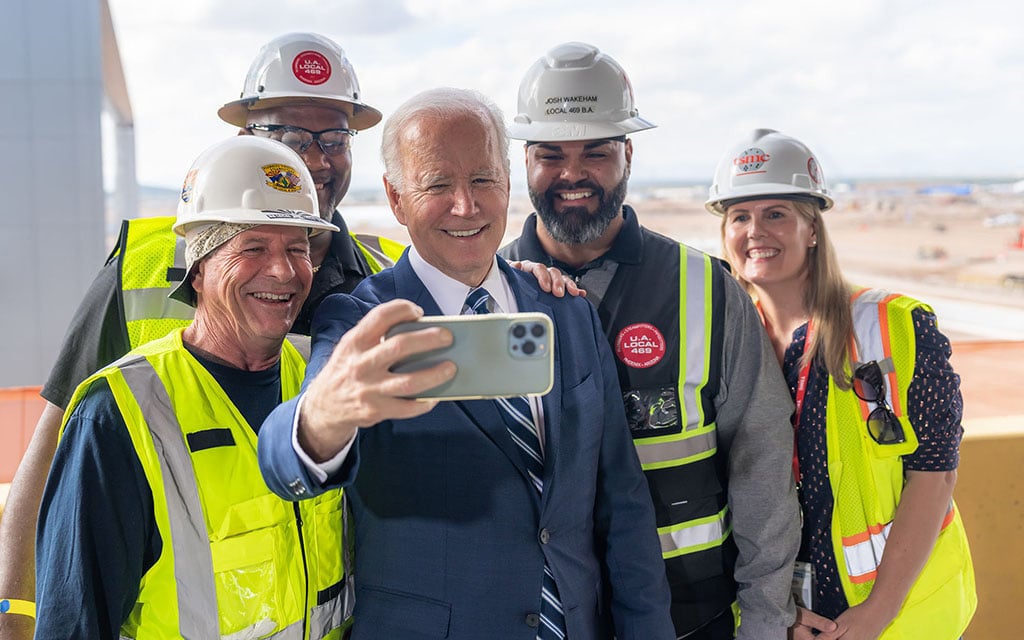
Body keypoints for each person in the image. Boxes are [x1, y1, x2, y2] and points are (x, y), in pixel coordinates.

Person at [0, 33, 569, 636]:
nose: (318, 158)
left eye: (334, 138)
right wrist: (14, 607)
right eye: (293, 138)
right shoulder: (139, 273)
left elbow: (476, 314)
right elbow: (62, 443)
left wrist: (530, 272)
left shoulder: (383, 283)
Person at [257, 87, 676, 639]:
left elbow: (622, 505)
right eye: (437, 185)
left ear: (507, 181)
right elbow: (285, 461)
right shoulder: (362, 318)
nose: (466, 205)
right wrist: (322, 418)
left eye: (482, 179)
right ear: (396, 197)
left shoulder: (567, 314)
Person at [500, 43, 800, 639]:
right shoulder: (490, 295)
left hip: (692, 613)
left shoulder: (706, 289)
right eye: (550, 154)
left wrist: (766, 620)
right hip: (548, 617)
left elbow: (762, 463)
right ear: (524, 160)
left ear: (628, 154)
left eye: (597, 152)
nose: (572, 174)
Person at [33, 136, 353, 638]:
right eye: (253, 248)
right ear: (199, 268)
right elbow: (74, 623)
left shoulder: (322, 378)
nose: (285, 271)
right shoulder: (118, 413)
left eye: (298, 248)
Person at [707, 128, 977, 639]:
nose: (755, 231)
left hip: (896, 614)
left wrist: (877, 613)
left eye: (776, 214)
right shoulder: (723, 342)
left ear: (813, 229)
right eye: (739, 216)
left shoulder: (895, 326)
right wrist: (772, 611)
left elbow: (934, 475)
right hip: (777, 614)